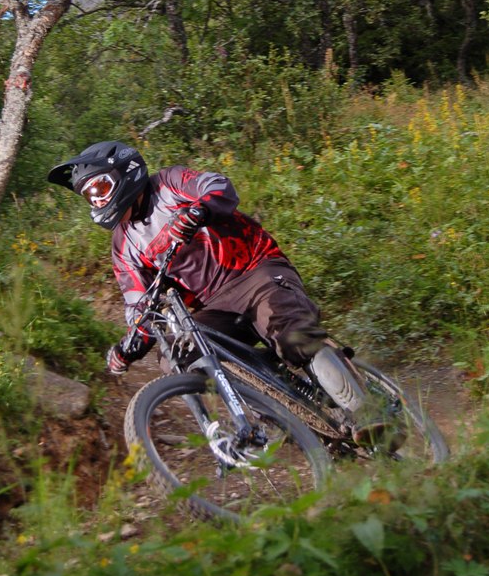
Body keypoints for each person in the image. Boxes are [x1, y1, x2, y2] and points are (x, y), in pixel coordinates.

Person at [48, 140, 388, 445]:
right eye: (90, 195)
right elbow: (140, 302)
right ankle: (287, 413)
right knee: (178, 357)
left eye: (100, 188)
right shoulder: (123, 246)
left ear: (127, 171)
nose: (98, 199)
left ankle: (368, 410)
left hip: (256, 269)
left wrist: (199, 209)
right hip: (215, 306)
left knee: (293, 334)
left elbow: (217, 186)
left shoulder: (169, 184)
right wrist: (131, 343)